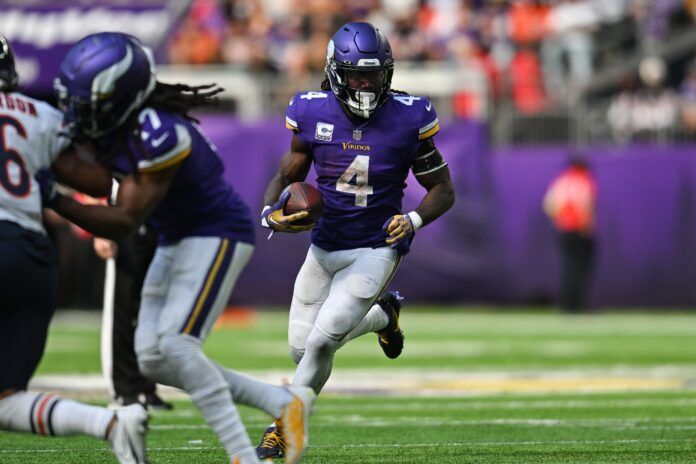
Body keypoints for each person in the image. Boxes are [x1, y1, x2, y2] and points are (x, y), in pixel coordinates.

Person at [42, 32, 314, 464]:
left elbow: (124, 219)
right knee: (150, 357)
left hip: (215, 234)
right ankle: (282, 402)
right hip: (175, 236)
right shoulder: (124, 124)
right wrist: (46, 164)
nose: (78, 114)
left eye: (88, 104)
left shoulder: (159, 132)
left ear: (120, 97)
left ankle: (242, 454)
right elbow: (102, 182)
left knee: (178, 347)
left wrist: (52, 197)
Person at [255, 22, 455, 459]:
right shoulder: (311, 111)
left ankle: (284, 427)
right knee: (300, 350)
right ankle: (384, 317)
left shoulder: (409, 116)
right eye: (356, 75)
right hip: (325, 246)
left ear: (388, 72)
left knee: (324, 341)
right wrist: (272, 211)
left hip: (377, 246)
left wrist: (415, 219)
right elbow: (288, 175)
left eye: (374, 74)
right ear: (334, 72)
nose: (366, 84)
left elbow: (443, 189)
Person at [0, 33, 148, 464]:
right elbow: (98, 183)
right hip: (32, 255)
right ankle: (112, 425)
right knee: (6, 398)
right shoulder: (39, 114)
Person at [93, 224, 173, 411]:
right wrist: (102, 230)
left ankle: (146, 388)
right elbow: (106, 193)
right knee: (122, 310)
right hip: (124, 225)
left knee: (152, 312)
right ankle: (123, 389)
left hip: (155, 225)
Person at [543, 157, 597, 313]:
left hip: (564, 230)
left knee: (569, 267)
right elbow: (586, 206)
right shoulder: (583, 180)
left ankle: (566, 304)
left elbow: (549, 205)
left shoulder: (561, 181)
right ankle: (576, 305)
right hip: (579, 230)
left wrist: (561, 220)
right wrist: (586, 227)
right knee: (579, 268)